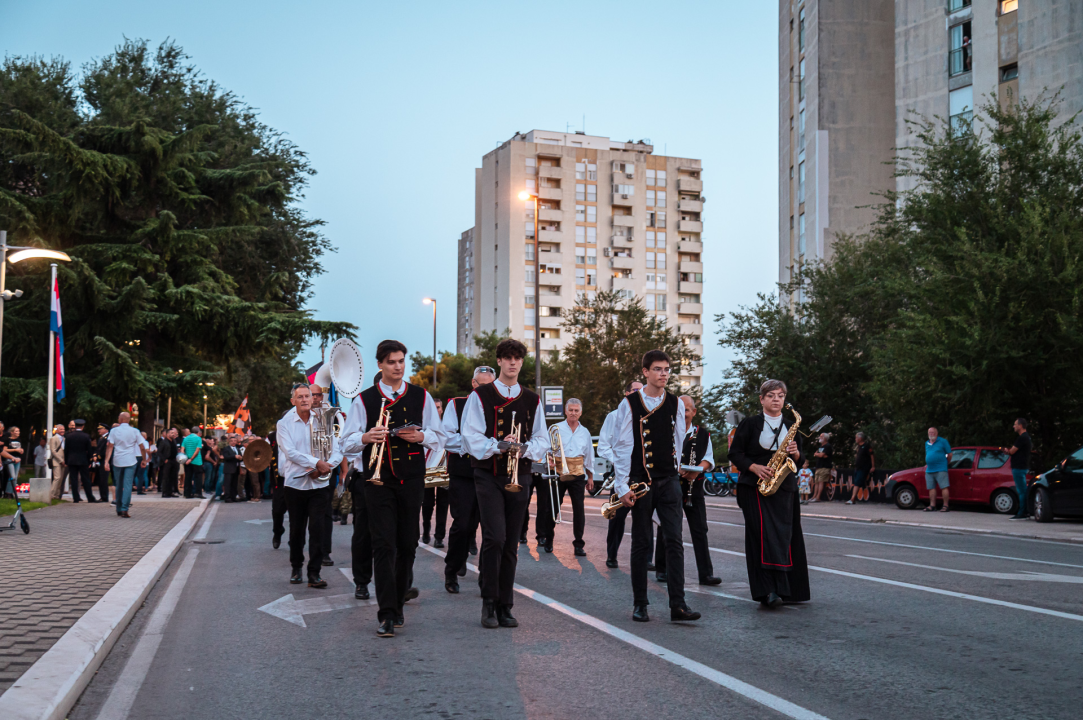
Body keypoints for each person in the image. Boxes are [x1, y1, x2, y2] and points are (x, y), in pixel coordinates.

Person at [338, 340, 444, 638]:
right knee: (383, 545)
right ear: (380, 365)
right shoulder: (364, 400)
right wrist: (366, 436)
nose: (398, 367)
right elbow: (346, 443)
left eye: (401, 361)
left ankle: (397, 604)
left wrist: (420, 435)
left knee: (407, 544)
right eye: (392, 362)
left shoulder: (422, 397)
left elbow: (440, 437)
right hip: (378, 480)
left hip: (411, 479)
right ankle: (385, 613)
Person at [460, 339, 549, 629]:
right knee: (494, 538)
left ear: (522, 362)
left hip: (519, 474)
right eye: (507, 358)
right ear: (499, 361)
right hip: (488, 473)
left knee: (511, 542)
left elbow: (542, 439)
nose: (512, 363)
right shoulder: (481, 395)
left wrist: (522, 447)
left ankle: (505, 605)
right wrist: (498, 445)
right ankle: (488, 602)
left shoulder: (533, 399)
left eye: (517, 358)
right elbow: (470, 436)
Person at [610, 350, 700, 624]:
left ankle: (678, 604)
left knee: (674, 541)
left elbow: (680, 438)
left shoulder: (674, 403)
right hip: (641, 482)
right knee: (641, 543)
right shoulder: (630, 404)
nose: (663, 374)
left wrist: (681, 470)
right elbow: (622, 445)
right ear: (646, 372)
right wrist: (622, 484)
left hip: (669, 481)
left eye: (667, 369)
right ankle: (640, 604)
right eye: (658, 369)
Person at [728, 378, 810, 609]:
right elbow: (735, 453)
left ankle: (789, 589)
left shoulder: (791, 426)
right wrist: (754, 467)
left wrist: (794, 454)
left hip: (784, 489)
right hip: (754, 487)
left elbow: (801, 460)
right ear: (762, 399)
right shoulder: (750, 424)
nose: (776, 399)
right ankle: (767, 591)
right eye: (771, 395)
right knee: (761, 538)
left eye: (780, 396)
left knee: (785, 537)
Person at [277, 384, 342, 590]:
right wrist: (315, 463)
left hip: (320, 484)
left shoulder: (324, 419)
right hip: (295, 485)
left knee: (318, 528)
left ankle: (314, 573)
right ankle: (296, 567)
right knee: (297, 530)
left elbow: (337, 449)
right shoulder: (284, 423)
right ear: (293, 401)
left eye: (308, 396)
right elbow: (290, 452)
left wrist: (327, 466)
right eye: (301, 397)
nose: (306, 399)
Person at [654, 395, 722, 586]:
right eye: (679, 409)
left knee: (700, 529)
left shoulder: (703, 434)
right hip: (669, 488)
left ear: (694, 412)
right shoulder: (666, 431)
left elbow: (709, 459)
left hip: (694, 487)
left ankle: (706, 573)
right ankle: (662, 568)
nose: (683, 413)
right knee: (666, 528)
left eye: (687, 409)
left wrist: (697, 470)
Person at [443, 366, 494, 593]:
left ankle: (487, 576)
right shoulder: (456, 404)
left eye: (489, 386)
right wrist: (473, 443)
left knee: (491, 528)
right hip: (463, 473)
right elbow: (447, 438)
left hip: (491, 472)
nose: (486, 390)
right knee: (463, 525)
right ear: (473, 385)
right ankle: (452, 569)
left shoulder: (497, 404)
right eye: (482, 386)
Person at [600, 381, 644, 569]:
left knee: (645, 519)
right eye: (636, 390)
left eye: (642, 390)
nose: (640, 393)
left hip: (643, 473)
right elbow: (603, 446)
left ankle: (646, 560)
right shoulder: (614, 416)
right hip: (623, 473)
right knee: (617, 516)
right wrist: (619, 461)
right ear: (627, 393)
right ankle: (612, 555)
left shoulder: (649, 415)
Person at [549, 398, 595, 557]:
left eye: (576, 410)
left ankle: (578, 544)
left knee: (579, 509)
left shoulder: (585, 432)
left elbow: (589, 455)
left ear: (581, 412)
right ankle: (548, 539)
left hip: (577, 474)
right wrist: (549, 460)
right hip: (559, 472)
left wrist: (590, 477)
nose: (573, 413)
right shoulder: (556, 428)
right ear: (565, 411)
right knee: (554, 506)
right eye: (571, 410)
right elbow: (548, 449)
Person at [104, 412, 148, 518]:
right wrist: (144, 459)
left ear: (120, 419)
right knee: (128, 485)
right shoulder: (135, 431)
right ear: (128, 420)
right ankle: (125, 509)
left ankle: (118, 508)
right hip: (130, 460)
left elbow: (110, 446)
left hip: (117, 460)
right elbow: (142, 446)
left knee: (119, 485)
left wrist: (106, 461)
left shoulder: (114, 431)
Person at [422, 398, 450, 548]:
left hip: (444, 470)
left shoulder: (447, 426)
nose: (437, 410)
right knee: (427, 504)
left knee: (443, 504)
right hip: (427, 470)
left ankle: (439, 536)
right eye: (434, 407)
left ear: (442, 409)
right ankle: (426, 530)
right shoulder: (424, 426)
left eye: (438, 407)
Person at [1007, 417, 1032, 520]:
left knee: (1021, 490)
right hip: (1023, 466)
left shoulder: (1022, 438)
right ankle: (1025, 511)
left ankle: (1022, 512)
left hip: (1019, 467)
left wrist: (1007, 451)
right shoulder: (1027, 437)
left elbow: (1012, 451)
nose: (1014, 426)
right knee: (1023, 490)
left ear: (1020, 426)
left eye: (1015, 424)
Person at [65, 420, 95, 502]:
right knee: (85, 479)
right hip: (83, 460)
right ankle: (90, 497)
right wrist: (90, 461)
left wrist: (66, 461)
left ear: (75, 426)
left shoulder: (69, 436)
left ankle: (76, 498)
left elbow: (66, 450)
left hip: (72, 460)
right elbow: (89, 450)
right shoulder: (86, 436)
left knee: (74, 479)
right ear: (83, 426)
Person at [924, 427, 952, 512]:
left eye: (933, 432)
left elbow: (950, 454)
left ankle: (945, 505)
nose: (931, 434)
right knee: (931, 488)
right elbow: (928, 454)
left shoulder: (943, 441)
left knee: (944, 487)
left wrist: (945, 463)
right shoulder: (927, 443)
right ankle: (932, 505)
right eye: (930, 433)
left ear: (936, 433)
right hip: (930, 469)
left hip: (941, 468)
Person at [847, 432, 875, 505]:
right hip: (857, 467)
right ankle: (853, 498)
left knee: (857, 483)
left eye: (856, 438)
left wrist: (873, 466)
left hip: (863, 468)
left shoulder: (867, 446)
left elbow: (872, 456)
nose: (855, 439)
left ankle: (852, 498)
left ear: (860, 438)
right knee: (856, 482)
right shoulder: (859, 446)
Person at [810, 433, 832, 502]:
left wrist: (819, 454)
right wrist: (818, 454)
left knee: (821, 482)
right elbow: (816, 454)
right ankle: (814, 496)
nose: (820, 437)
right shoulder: (820, 446)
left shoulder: (828, 446)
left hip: (824, 467)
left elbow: (821, 455)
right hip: (818, 466)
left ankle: (818, 497)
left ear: (825, 438)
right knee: (816, 482)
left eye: (821, 436)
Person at [48, 427, 65, 500]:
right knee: (57, 478)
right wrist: (61, 460)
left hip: (63, 461)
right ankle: (51, 495)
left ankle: (57, 496)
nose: (62, 431)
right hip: (56, 461)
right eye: (61, 429)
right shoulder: (53, 438)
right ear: (57, 430)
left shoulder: (64, 439)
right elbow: (53, 451)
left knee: (61, 479)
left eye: (63, 429)